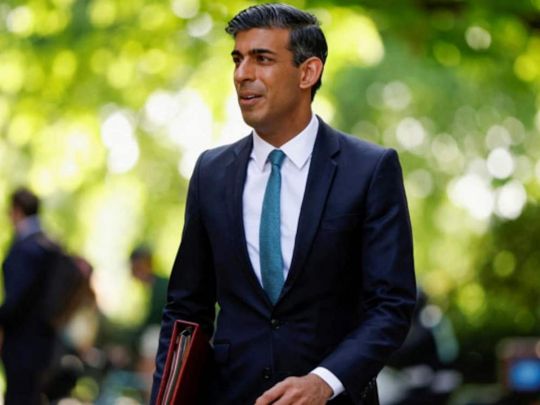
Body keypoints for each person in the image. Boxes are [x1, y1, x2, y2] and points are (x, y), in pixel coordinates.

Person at [151, 4, 416, 405]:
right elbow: (186, 311)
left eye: (262, 59)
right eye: (238, 59)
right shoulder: (210, 173)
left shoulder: (369, 169)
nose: (242, 74)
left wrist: (324, 382)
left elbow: (391, 307)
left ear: (308, 72)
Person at [0, 187, 57, 404]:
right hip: (43, 340)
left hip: (23, 342)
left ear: (17, 210)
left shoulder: (28, 248)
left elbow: (18, 298)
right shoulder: (49, 245)